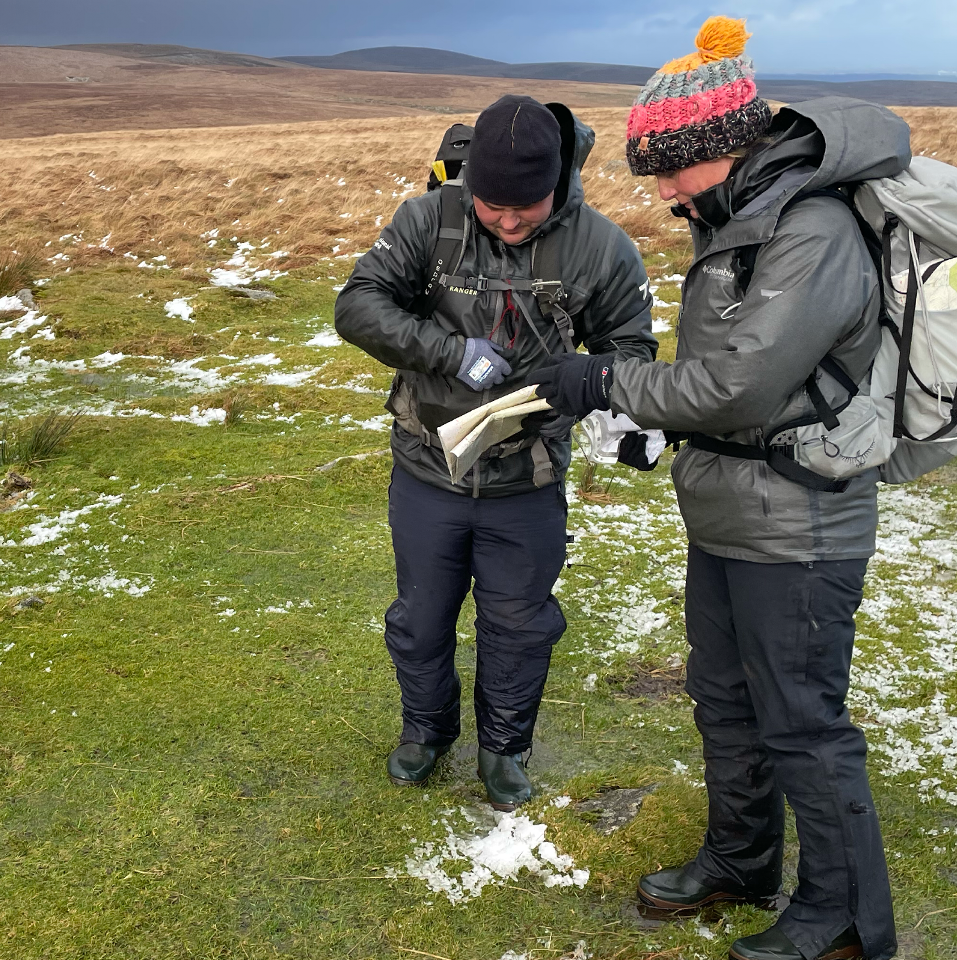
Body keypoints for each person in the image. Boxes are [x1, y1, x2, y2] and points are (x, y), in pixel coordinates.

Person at [526, 17, 904, 960]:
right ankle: (740, 861)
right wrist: (656, 431)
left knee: (803, 724)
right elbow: (725, 383)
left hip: (802, 525)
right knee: (726, 701)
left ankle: (846, 918)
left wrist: (606, 383)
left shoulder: (809, 231)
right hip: (733, 509)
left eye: (668, 169)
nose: (658, 190)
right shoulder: (738, 219)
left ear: (721, 147)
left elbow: (740, 382)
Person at [335, 94, 657, 810]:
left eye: (527, 208)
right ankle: (426, 732)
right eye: (492, 207)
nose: (509, 222)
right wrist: (450, 353)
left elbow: (630, 351)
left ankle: (504, 751)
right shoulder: (428, 221)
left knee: (519, 625)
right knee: (419, 619)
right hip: (427, 468)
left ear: (558, 182)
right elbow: (357, 304)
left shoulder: (601, 248)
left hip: (528, 477)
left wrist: (585, 383)